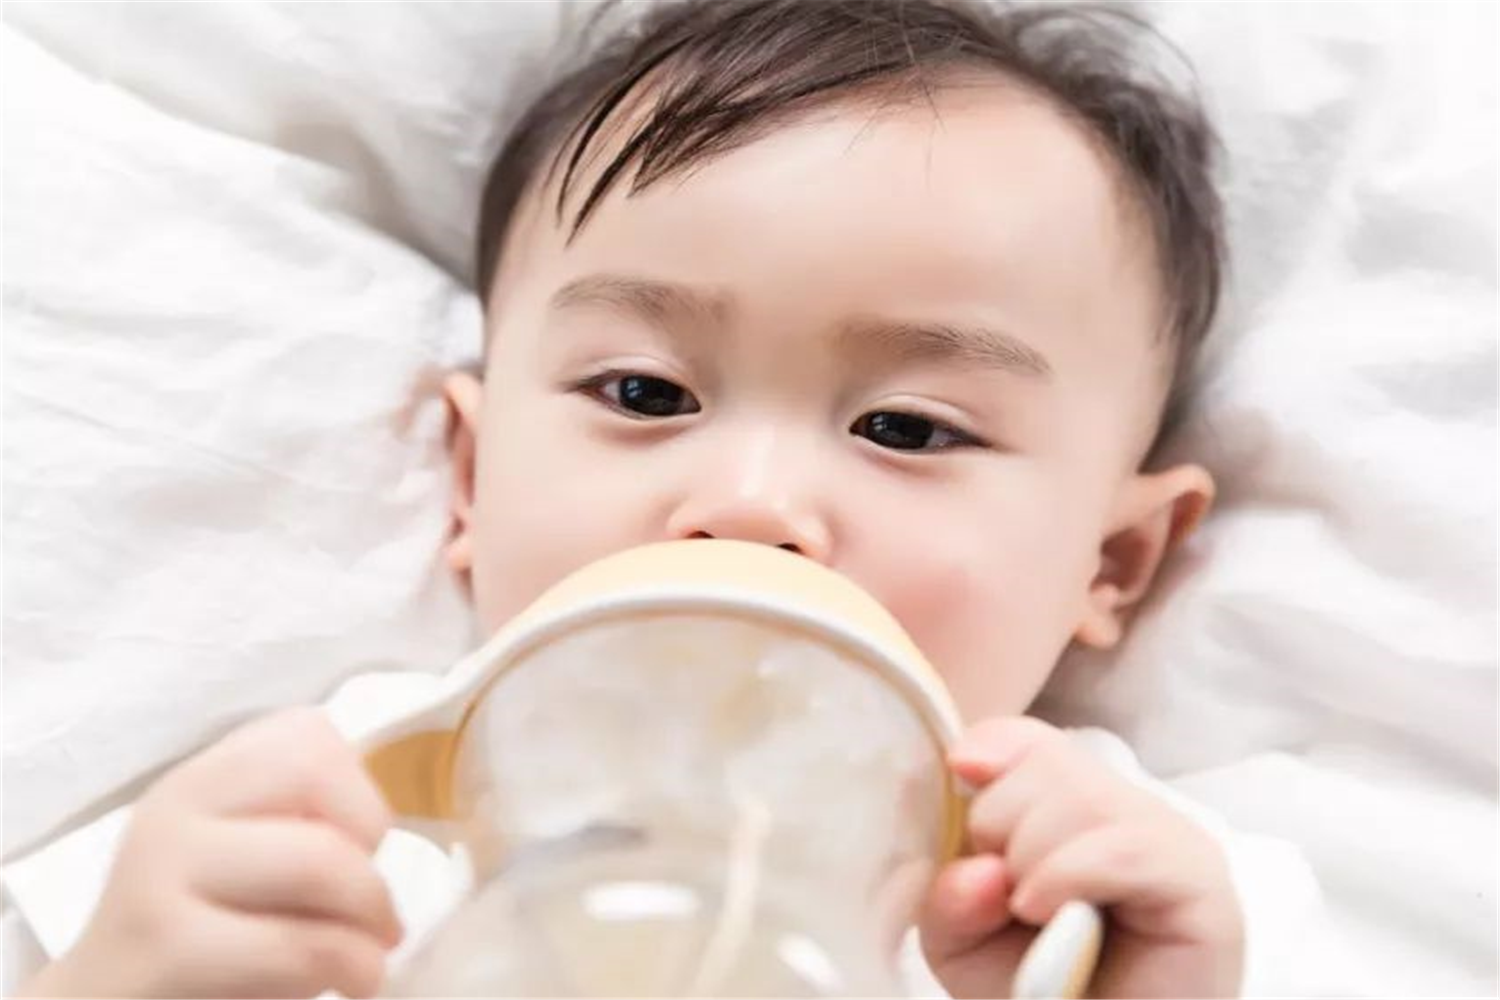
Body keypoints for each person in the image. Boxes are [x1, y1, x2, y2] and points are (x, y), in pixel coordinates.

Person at [11, 2, 1326, 996]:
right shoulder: (326, 819)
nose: (752, 508)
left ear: (1113, 561)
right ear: (473, 477)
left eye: (907, 426)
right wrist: (122, 973)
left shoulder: (1133, 899)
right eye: (645, 395)